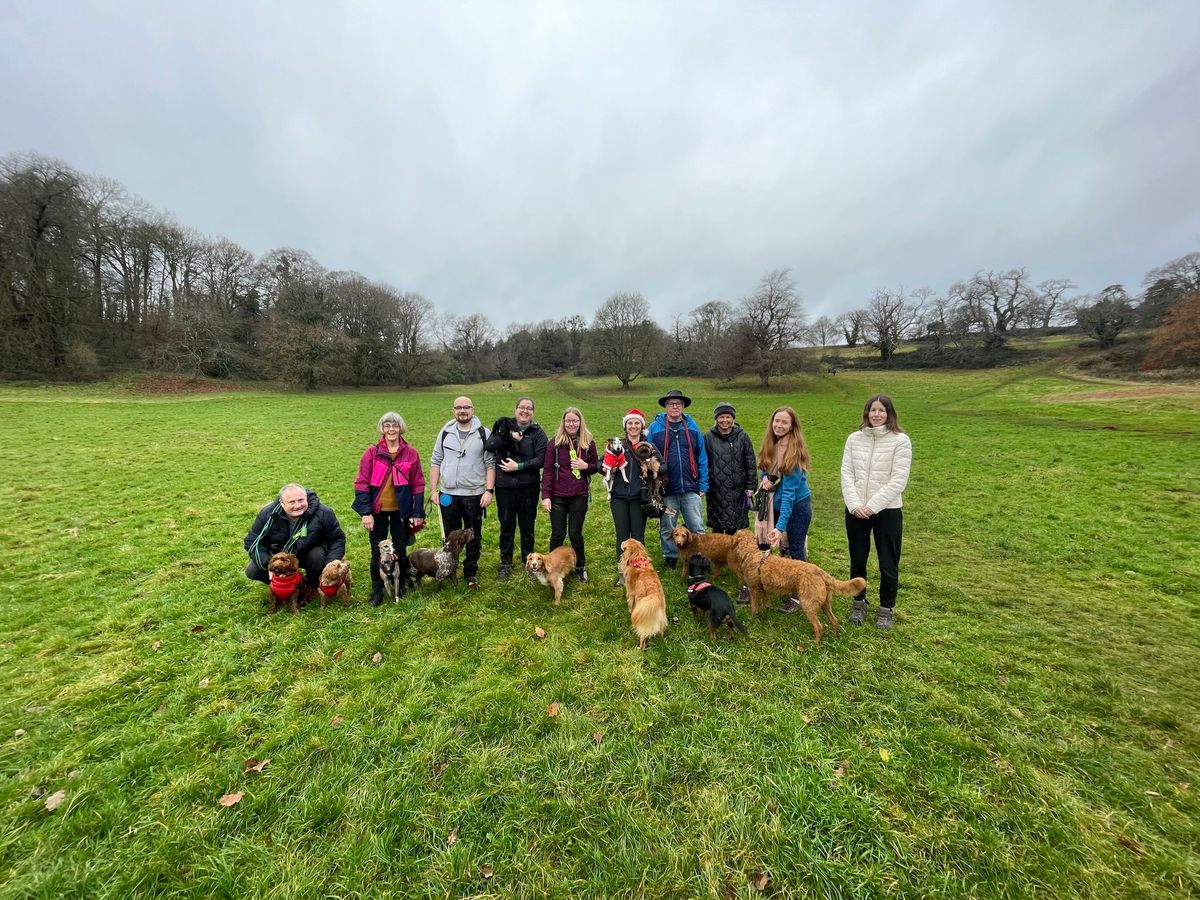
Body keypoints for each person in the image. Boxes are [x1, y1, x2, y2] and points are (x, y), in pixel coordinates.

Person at [840, 394, 912, 630]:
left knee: (888, 562)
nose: (877, 414)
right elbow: (846, 473)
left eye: (882, 410)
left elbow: (898, 479)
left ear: (889, 413)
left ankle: (885, 608)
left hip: (887, 511)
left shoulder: (900, 441)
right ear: (867, 413)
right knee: (858, 558)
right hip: (856, 510)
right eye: (873, 410)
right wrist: (855, 505)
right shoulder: (854, 439)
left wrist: (872, 506)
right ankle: (858, 602)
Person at [353, 412, 426, 606]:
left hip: (401, 511)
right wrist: (365, 512)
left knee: (400, 549)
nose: (391, 429)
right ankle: (377, 589)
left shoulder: (411, 453)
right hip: (377, 510)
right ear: (382, 429)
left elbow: (418, 483)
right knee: (377, 552)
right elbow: (361, 483)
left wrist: (418, 512)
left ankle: (400, 585)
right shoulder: (372, 452)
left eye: (395, 425)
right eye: (387, 426)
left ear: (401, 428)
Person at [429, 396, 495, 589]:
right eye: (458, 408)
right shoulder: (445, 432)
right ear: (453, 411)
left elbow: (490, 464)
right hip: (448, 494)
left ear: (472, 410)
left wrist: (489, 490)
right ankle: (450, 569)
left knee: (473, 535)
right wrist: (434, 490)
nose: (462, 411)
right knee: (451, 537)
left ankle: (470, 572)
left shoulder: (484, 433)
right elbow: (436, 461)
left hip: (474, 494)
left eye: (466, 407)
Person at [485, 397, 548, 581]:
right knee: (506, 526)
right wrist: (509, 437)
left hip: (528, 487)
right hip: (505, 487)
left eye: (529, 408)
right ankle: (505, 564)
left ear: (533, 412)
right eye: (522, 407)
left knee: (527, 527)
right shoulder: (504, 425)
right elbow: (489, 445)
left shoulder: (537, 433)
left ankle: (528, 564)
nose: (525, 411)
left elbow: (541, 459)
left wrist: (519, 467)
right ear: (516, 410)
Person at [244, 483, 346, 596]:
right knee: (252, 571)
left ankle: (311, 585)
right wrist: (270, 564)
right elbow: (252, 541)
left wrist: (329, 566)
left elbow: (336, 539)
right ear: (281, 503)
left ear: (306, 498)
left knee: (316, 557)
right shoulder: (268, 514)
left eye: (301, 500)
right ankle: (289, 585)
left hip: (309, 551)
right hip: (280, 554)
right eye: (291, 502)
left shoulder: (324, 512)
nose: (297, 505)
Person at [757, 406, 813, 614]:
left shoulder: (793, 454)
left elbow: (789, 495)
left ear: (792, 427)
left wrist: (780, 528)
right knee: (784, 549)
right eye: (776, 421)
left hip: (797, 508)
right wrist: (764, 477)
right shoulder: (772, 444)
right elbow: (765, 467)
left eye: (784, 423)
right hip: (776, 505)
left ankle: (800, 596)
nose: (779, 425)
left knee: (796, 550)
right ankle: (788, 585)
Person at [648, 389, 708, 568]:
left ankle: (699, 556)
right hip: (667, 489)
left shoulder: (692, 427)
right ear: (665, 406)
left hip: (691, 487)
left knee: (696, 525)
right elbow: (649, 458)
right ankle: (670, 556)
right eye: (671, 403)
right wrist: (654, 486)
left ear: (683, 406)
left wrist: (703, 483)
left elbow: (702, 456)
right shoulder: (655, 428)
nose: (675, 406)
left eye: (678, 403)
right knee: (668, 525)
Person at [541, 406, 598, 582]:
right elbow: (548, 471)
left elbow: (597, 466)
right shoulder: (554, 444)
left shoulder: (588, 443)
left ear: (580, 422)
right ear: (563, 423)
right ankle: (551, 566)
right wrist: (546, 496)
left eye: (575, 420)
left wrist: (585, 466)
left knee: (575, 534)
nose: (571, 424)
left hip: (579, 495)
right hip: (558, 496)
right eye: (568, 421)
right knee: (557, 533)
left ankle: (580, 566)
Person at [607, 408, 662, 586]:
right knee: (622, 537)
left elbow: (664, 467)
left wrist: (652, 465)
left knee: (638, 537)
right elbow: (602, 463)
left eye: (636, 423)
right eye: (630, 423)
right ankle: (623, 574)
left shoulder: (649, 446)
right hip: (619, 497)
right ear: (625, 426)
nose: (633, 426)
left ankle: (639, 572)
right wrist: (607, 467)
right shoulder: (618, 445)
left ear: (641, 426)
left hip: (640, 497)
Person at [703, 401, 756, 535]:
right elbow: (703, 462)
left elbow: (750, 462)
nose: (724, 420)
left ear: (733, 419)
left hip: (737, 490)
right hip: (716, 490)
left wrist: (751, 486)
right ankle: (718, 554)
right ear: (716, 419)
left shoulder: (742, 436)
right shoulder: (708, 438)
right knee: (717, 527)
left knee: (734, 527)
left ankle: (732, 555)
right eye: (721, 417)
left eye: (728, 417)